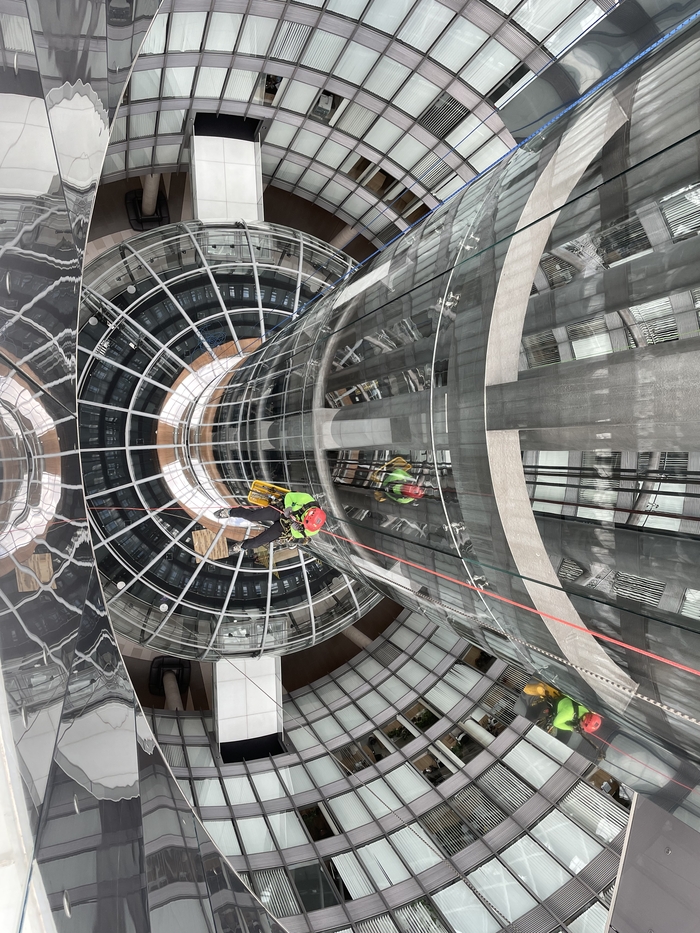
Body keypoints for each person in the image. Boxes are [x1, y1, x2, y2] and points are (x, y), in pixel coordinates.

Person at [215, 492, 326, 553]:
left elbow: (297, 534)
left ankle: (242, 546)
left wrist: (294, 526)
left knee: (258, 542)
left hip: (284, 526)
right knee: (252, 516)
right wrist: (288, 508)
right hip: (281, 511)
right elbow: (290, 496)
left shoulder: (312, 530)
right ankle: (229, 512)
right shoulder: (307, 500)